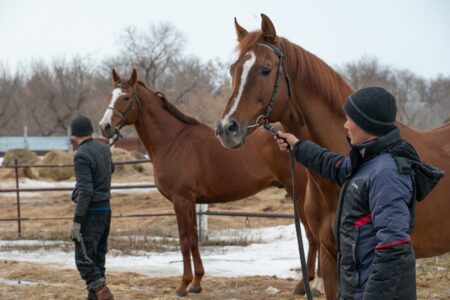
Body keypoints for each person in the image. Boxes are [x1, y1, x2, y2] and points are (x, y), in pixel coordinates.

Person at [275, 87, 444, 300]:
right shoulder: (369, 162)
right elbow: (335, 166)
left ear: (367, 124)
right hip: (358, 289)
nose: (345, 125)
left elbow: (393, 247)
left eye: (349, 119)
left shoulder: (387, 173)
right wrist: (298, 147)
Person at [70, 116, 115, 300]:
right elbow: (111, 169)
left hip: (91, 213)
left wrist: (77, 221)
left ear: (74, 136)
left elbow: (87, 191)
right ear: (90, 132)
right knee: (97, 259)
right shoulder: (104, 148)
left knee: (83, 260)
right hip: (106, 210)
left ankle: (104, 294)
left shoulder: (81, 155)